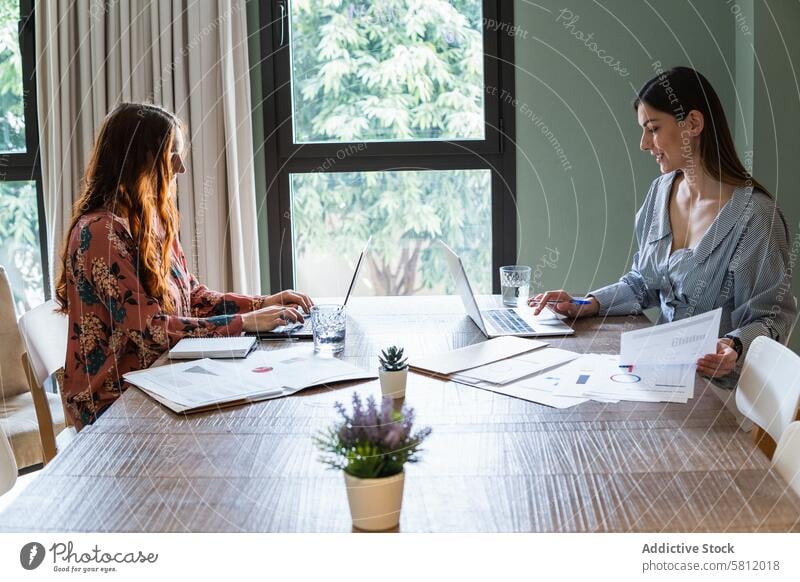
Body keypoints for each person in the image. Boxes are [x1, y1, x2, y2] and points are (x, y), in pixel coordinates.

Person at [530, 66, 796, 383]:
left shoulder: (755, 217)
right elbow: (644, 283)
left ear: (694, 123)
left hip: (718, 395)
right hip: (660, 375)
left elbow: (771, 316)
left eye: (653, 128)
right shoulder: (660, 193)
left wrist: (734, 345)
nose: (644, 143)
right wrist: (588, 303)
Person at [55, 103, 313, 429]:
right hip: (114, 400)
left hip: (160, 378)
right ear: (138, 159)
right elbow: (149, 331)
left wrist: (264, 303)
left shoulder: (151, 221)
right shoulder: (99, 233)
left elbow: (194, 297)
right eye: (172, 156)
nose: (181, 169)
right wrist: (245, 322)